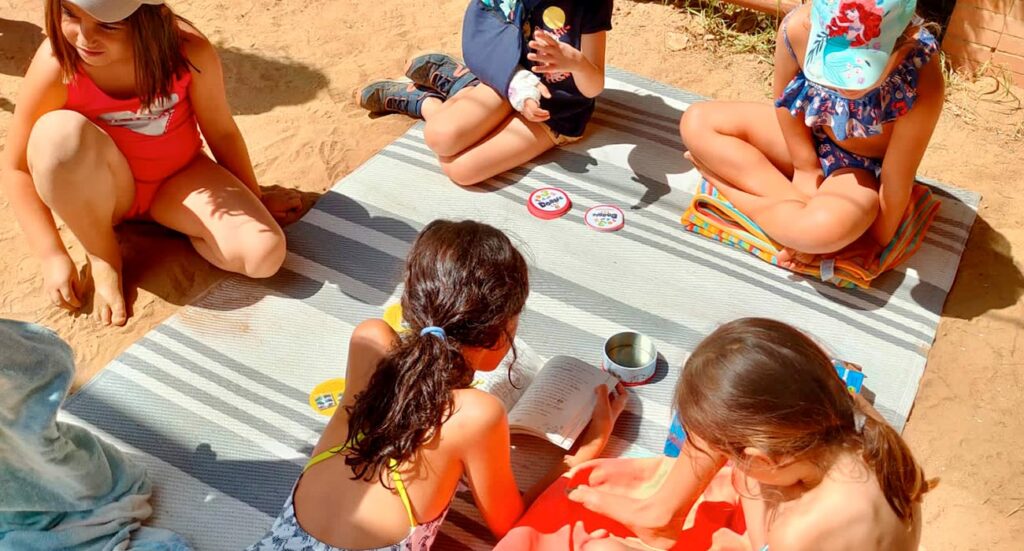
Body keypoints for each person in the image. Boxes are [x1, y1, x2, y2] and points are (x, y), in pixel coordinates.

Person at [249, 220, 628, 550]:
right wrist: (588, 447)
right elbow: (512, 526)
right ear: (499, 336)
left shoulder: (368, 339)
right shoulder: (475, 415)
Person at [1, 0, 300, 326]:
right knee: (57, 137)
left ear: (150, 18)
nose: (85, 38)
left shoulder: (187, 51)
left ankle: (179, 224)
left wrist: (252, 195)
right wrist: (52, 255)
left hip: (178, 180)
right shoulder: (59, 64)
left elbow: (221, 130)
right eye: (70, 14)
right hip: (110, 195)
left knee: (264, 254)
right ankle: (104, 254)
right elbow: (16, 166)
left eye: (107, 25)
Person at [566, 318, 934, 550]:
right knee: (723, 401)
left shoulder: (799, 532)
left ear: (762, 460)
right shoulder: (868, 433)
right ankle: (661, 514)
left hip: (791, 540)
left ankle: (662, 520)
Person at [679, 0, 943, 269]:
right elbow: (783, 104)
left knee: (821, 231)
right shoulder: (797, 28)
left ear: (904, 44)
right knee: (697, 121)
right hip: (808, 135)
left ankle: (729, 190)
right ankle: (794, 214)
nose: (841, 82)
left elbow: (896, 177)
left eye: (858, 73)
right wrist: (804, 167)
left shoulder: (920, 73)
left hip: (856, 171)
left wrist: (870, 241)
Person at [356, 0, 613, 186]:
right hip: (507, 80)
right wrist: (515, 83)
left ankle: (428, 101)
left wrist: (576, 63)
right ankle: (458, 85)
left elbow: (593, 85)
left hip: (555, 112)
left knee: (460, 170)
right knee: (439, 137)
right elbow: (484, 34)